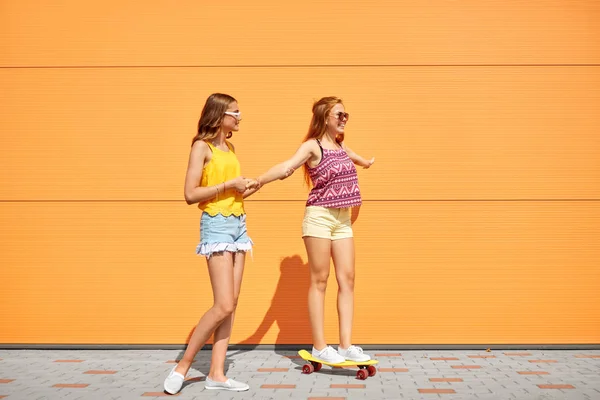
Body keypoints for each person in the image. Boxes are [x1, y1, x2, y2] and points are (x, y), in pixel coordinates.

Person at [253, 96, 375, 364]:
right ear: (324, 118)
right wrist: (260, 180)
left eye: (346, 115)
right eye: (339, 115)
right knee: (320, 280)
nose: (344, 119)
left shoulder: (342, 148)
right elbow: (287, 165)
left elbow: (355, 158)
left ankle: (345, 345)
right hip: (319, 217)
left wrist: (366, 162)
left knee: (348, 280)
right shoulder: (313, 146)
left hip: (342, 220)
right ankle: (320, 346)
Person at [163, 93, 254, 394]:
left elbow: (230, 192)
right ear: (219, 115)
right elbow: (190, 194)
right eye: (235, 112)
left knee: (232, 306)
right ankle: (183, 366)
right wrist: (229, 185)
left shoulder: (230, 147)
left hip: (238, 224)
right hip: (215, 225)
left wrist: (247, 187)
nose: (240, 116)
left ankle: (217, 374)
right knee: (223, 303)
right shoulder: (200, 147)